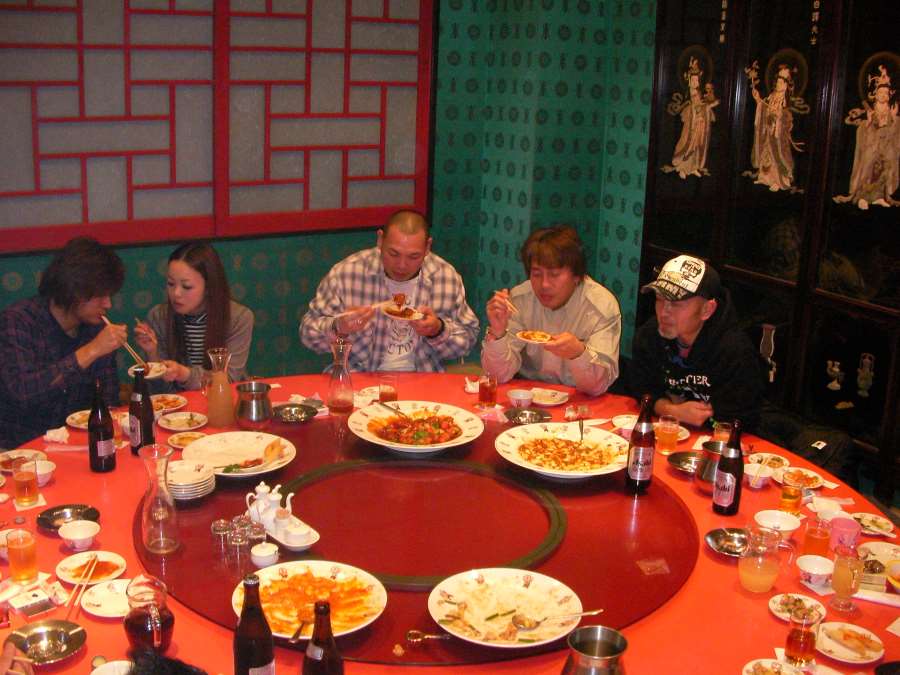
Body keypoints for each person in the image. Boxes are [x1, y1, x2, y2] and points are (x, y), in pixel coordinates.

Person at [299, 210, 480, 371]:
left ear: (427, 247)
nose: (401, 265)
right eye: (393, 254)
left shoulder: (444, 276)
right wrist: (339, 327)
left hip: (423, 378)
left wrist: (437, 330)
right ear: (380, 240)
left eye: (413, 256)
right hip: (359, 377)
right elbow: (308, 334)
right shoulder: (347, 272)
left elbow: (468, 340)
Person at [0, 237, 125, 449]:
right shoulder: (18, 321)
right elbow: (23, 392)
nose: (108, 304)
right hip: (18, 448)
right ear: (74, 290)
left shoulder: (96, 328)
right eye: (100, 296)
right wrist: (92, 350)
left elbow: (109, 401)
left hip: (77, 446)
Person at [481, 225, 621, 395]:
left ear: (577, 276)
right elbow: (497, 376)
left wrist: (578, 353)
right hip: (526, 395)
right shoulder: (520, 300)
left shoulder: (601, 306)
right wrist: (498, 333)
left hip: (578, 397)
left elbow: (596, 387)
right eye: (536, 274)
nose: (544, 285)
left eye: (554, 274)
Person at [628, 254, 764, 429]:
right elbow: (640, 389)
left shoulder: (735, 352)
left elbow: (742, 418)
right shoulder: (649, 335)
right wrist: (671, 410)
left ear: (707, 310)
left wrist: (699, 417)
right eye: (660, 299)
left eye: (676, 304)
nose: (664, 312)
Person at [134, 243, 254, 390]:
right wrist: (152, 354)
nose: (176, 293)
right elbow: (159, 390)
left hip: (222, 400)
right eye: (171, 284)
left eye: (187, 286)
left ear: (209, 287)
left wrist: (184, 374)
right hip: (176, 404)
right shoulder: (158, 316)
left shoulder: (239, 318)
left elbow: (228, 379)